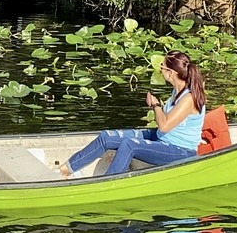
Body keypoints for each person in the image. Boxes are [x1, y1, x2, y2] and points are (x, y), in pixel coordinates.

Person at [60, 50, 206, 177]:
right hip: (164, 138)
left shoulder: (188, 98)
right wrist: (158, 106)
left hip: (180, 150)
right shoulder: (177, 90)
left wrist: (156, 105)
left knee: (129, 145)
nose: (160, 69)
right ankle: (65, 170)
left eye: (162, 66)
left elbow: (164, 125)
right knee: (107, 137)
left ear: (171, 73)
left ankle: (107, 184)